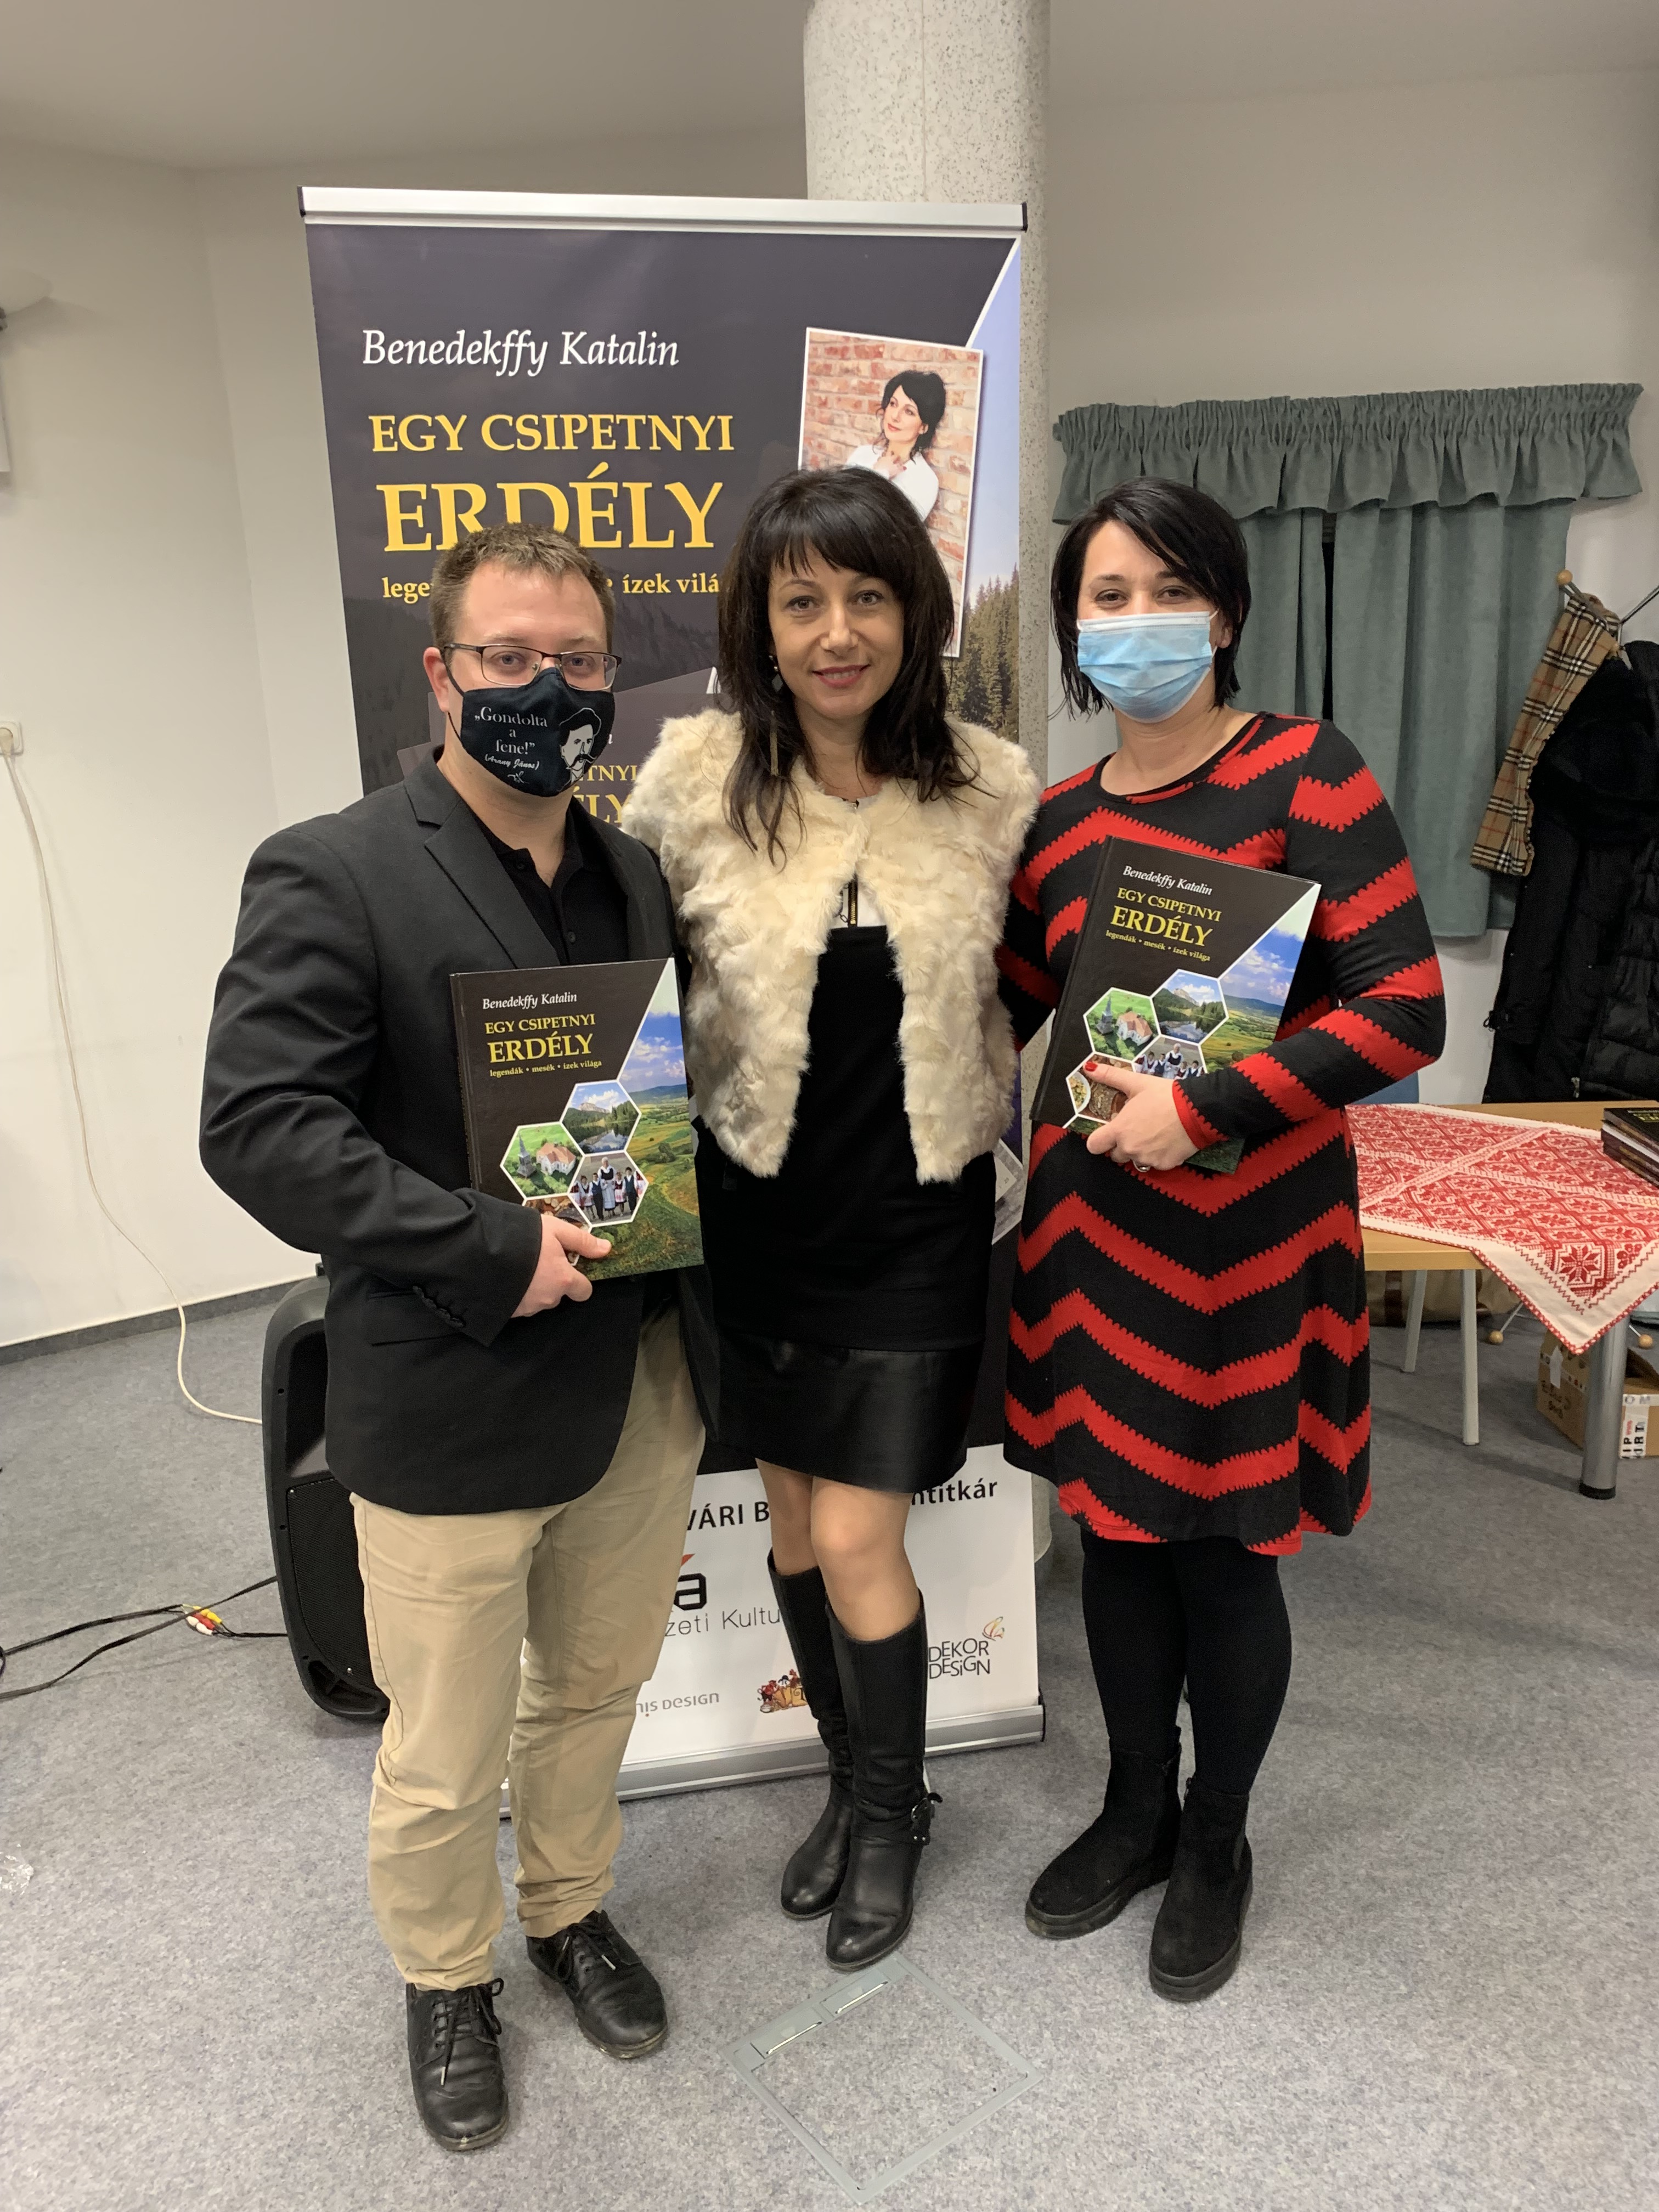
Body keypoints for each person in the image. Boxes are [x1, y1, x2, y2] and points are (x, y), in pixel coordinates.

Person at [200, 521, 716, 2152]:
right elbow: (261, 1128)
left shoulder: (634, 872)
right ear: (441, 674)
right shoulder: (332, 867)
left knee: (598, 1688)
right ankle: (445, 1976)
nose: (545, 690)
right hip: (451, 1380)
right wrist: (490, 1248)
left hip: (636, 1378)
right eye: (508, 659)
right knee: (443, 1742)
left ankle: (568, 1911)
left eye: (578, 662)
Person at [998, 477, 1444, 2000]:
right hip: (1096, 1245)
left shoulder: (1309, 773)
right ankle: (1133, 1805)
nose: (1138, 622)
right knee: (1119, 1541)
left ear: (1227, 612)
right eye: (1107, 597)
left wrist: (1207, 1108)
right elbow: (1005, 1001)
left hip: (1253, 1248)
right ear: (1074, 630)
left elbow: (1405, 1009)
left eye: (1168, 591)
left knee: (1230, 1559)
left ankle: (1217, 1835)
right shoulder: (1057, 826)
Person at [625, 467, 1036, 1970]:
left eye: (868, 596)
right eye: (803, 602)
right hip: (753, 1221)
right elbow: (623, 987)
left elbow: (1058, 969)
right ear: (763, 622)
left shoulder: (992, 789)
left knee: (860, 1532)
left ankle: (890, 1815)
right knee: (793, 1522)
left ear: (915, 612)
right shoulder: (691, 784)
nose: (838, 631)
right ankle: (854, 1781)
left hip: (915, 1224)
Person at [843, 368, 946, 524]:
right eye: (893, 404)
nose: (895, 416)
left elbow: (877, 529)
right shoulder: (862, 455)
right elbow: (836, 511)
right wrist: (879, 472)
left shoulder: (924, 480)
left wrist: (879, 476)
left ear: (924, 427)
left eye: (909, 412)